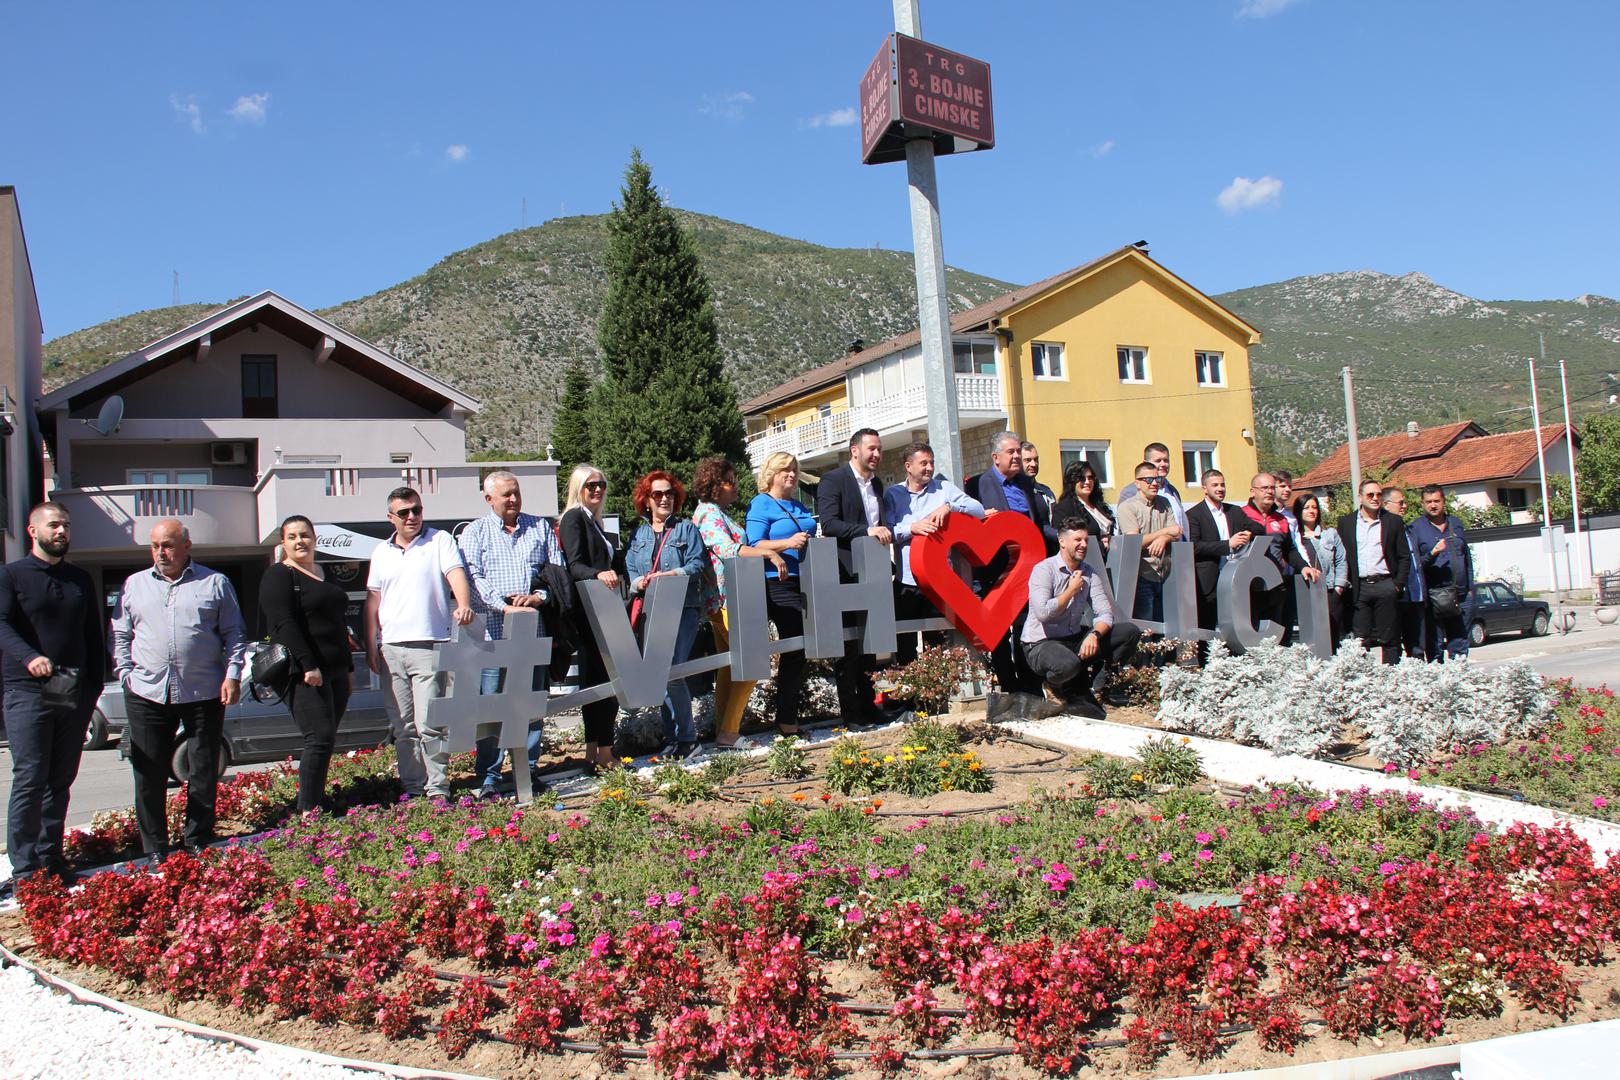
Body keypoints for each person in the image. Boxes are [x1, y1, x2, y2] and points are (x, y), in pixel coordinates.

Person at [111, 519, 246, 860]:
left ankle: (197, 839)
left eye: (168, 545)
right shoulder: (134, 585)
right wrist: (125, 673)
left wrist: (232, 674)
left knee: (202, 770)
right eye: (155, 546)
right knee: (149, 773)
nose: (161, 552)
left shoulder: (215, 583)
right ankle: (155, 849)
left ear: (187, 545)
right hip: (146, 692)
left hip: (203, 691)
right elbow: (120, 634)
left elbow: (234, 633)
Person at [0, 503, 104, 897]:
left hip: (69, 689)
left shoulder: (79, 579)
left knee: (59, 779)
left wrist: (93, 686)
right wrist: (29, 657)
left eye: (66, 525)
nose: (61, 531)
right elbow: (1, 624)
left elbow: (92, 634)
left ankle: (51, 859)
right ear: (33, 530)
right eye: (54, 525)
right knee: (31, 777)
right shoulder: (11, 575)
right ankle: (25, 870)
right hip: (26, 689)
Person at [363, 487, 475, 799]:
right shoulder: (381, 552)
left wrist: (463, 604)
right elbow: (373, 601)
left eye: (417, 510)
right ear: (391, 518)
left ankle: (437, 789)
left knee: (430, 724)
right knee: (403, 728)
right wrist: (371, 644)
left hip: (429, 644)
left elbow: (455, 574)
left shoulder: (439, 540)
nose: (412, 516)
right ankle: (413, 790)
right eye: (404, 512)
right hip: (391, 648)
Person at [459, 470, 564, 797]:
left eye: (516, 492)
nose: (514, 499)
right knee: (491, 707)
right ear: (489, 498)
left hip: (533, 632)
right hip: (493, 637)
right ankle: (489, 776)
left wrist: (539, 597)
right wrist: (504, 606)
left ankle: (526, 771)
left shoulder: (540, 527)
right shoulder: (475, 532)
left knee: (531, 705)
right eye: (506, 494)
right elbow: (472, 577)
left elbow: (556, 571)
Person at [690, 456, 790, 747]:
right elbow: (726, 549)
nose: (735, 487)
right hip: (727, 599)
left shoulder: (715, 512)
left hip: (725, 599)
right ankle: (729, 733)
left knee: (731, 667)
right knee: (752, 663)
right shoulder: (708, 513)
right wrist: (767, 553)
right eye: (729, 481)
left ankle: (725, 732)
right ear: (714, 484)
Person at [259, 515, 354, 813]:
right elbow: (283, 623)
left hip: (336, 672)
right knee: (319, 736)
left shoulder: (324, 573)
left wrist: (348, 669)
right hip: (304, 672)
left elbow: (338, 624)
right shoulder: (279, 575)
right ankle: (308, 811)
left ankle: (318, 801)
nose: (300, 541)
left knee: (326, 739)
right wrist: (308, 664)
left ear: (315, 538)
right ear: (283, 543)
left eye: (305, 535)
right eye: (292, 536)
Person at [1021, 518, 1142, 720]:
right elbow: (1043, 613)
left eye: (1086, 540)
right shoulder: (1044, 569)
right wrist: (1071, 591)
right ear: (1062, 541)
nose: (1084, 545)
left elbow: (1105, 614)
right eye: (1078, 540)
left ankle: (1099, 685)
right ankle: (1053, 685)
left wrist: (1094, 635)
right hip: (1041, 643)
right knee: (1067, 665)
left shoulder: (1089, 573)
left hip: (1072, 640)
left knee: (1128, 632)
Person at [625, 470, 709, 758]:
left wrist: (673, 574)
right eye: (657, 494)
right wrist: (639, 583)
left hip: (683, 608)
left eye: (669, 493)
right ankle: (673, 740)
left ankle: (688, 739)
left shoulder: (686, 529)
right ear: (646, 500)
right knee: (660, 675)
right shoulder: (638, 534)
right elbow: (630, 569)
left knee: (672, 671)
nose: (664, 499)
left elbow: (698, 564)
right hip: (652, 609)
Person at [966, 432, 1055, 702]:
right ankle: (1008, 684)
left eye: (1018, 451)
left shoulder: (1027, 485)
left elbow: (1039, 524)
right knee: (999, 631)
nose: (1017, 456)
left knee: (1027, 626)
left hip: (1027, 568)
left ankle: (1030, 685)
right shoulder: (978, 484)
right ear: (996, 457)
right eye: (1011, 452)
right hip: (995, 570)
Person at [883, 441, 987, 666]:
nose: (929, 468)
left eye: (931, 463)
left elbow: (978, 510)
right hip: (907, 583)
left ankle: (938, 689)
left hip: (938, 583)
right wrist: (912, 528)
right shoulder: (893, 494)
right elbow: (887, 531)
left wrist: (950, 506)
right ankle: (910, 688)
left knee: (937, 646)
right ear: (908, 466)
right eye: (924, 463)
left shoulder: (944, 489)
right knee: (905, 646)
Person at [816, 428, 892, 726]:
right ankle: (851, 712)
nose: (876, 454)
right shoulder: (833, 480)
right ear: (855, 450)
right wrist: (866, 531)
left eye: (879, 449)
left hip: (874, 570)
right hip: (844, 572)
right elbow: (829, 524)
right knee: (848, 646)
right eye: (871, 448)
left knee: (870, 645)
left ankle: (870, 706)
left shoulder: (877, 484)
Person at [558, 464, 625, 773]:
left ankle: (596, 750)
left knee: (602, 680)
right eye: (590, 485)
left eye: (601, 484)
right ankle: (601, 751)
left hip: (604, 608)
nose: (597, 489)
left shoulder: (595, 522)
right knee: (601, 681)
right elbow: (575, 565)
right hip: (590, 612)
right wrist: (600, 573)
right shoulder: (574, 518)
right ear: (579, 489)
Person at [745, 452, 815, 736]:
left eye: (794, 469)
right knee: (795, 647)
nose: (791, 474)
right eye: (785, 469)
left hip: (806, 580)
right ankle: (786, 719)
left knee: (801, 650)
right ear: (771, 473)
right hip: (777, 582)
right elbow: (754, 543)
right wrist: (788, 543)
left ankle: (788, 715)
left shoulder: (797, 504)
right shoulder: (761, 503)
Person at [1336, 478, 1411, 664]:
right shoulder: (1346, 523)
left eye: (1378, 494)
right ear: (1360, 497)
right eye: (1370, 495)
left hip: (1386, 584)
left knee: (1390, 637)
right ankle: (1364, 676)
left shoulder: (1393, 521)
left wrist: (1397, 585)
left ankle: (1390, 674)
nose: (1375, 498)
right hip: (1360, 587)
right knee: (1360, 639)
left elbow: (1404, 556)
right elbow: (1341, 555)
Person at [1237, 473, 1320, 644]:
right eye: (1264, 488)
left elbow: (1289, 549)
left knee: (1279, 638)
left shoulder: (1281, 519)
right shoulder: (1239, 515)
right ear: (1252, 491)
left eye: (1271, 488)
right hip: (1248, 589)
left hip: (1276, 586)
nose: (1269, 492)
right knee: (1252, 642)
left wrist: (1303, 566)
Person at [1185, 470, 1253, 647]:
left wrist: (1248, 533)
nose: (1220, 488)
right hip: (1208, 581)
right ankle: (1205, 660)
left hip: (1234, 577)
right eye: (1215, 485)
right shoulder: (1194, 514)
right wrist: (1227, 545)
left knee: (1235, 626)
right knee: (1207, 626)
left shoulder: (1235, 511)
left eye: (1222, 484)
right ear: (1204, 488)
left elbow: (1258, 528)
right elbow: (1194, 546)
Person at [1409, 484, 1473, 661]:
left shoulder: (1456, 523)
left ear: (1443, 501)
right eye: (1428, 502)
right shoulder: (1415, 528)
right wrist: (1432, 554)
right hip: (1434, 596)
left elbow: (1466, 556)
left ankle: (1458, 673)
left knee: (1460, 644)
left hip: (1460, 595)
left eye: (1436, 501)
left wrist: (1470, 587)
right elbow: (1415, 565)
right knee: (1434, 645)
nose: (1433, 505)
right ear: (1422, 504)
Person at [1115, 460, 1183, 624]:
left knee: (1167, 627)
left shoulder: (1164, 503)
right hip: (1141, 575)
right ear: (1137, 483)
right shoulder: (1127, 507)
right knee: (1146, 627)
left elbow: (1176, 531)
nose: (1154, 483)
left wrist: (1164, 539)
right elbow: (1134, 543)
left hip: (1165, 573)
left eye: (1157, 479)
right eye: (1149, 480)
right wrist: (1164, 532)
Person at [1294, 494, 1348, 644]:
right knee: (1312, 640)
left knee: (1332, 639)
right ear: (1299, 511)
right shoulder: (1295, 538)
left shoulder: (1330, 534)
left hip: (1329, 591)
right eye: (1306, 508)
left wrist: (1338, 588)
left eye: (1314, 507)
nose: (1311, 511)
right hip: (1305, 592)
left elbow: (1341, 560)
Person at [1382, 488, 1427, 659]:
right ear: (1386, 504)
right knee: (1393, 648)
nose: (1404, 506)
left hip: (1415, 597)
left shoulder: (1409, 530)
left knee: (1417, 649)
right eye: (1400, 503)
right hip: (1395, 596)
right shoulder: (1381, 532)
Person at [1117, 442, 1189, 534]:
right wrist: (1165, 533)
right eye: (1158, 461)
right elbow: (1128, 529)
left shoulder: (1172, 490)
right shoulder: (1131, 491)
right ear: (1145, 463)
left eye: (1166, 460)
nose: (1163, 464)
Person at [1051, 460, 1116, 551]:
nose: (1087, 482)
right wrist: (1101, 546)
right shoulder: (1064, 508)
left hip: (1110, 556)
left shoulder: (1099, 505)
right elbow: (1067, 542)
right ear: (1072, 481)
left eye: (1090, 478)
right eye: (1081, 478)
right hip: (1086, 557)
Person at [1020, 441, 1057, 521]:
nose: (1033, 464)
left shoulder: (1046, 493)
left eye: (1036, 459)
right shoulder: (1013, 492)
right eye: (1028, 460)